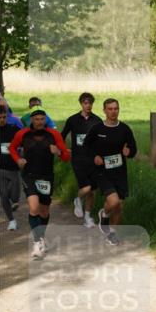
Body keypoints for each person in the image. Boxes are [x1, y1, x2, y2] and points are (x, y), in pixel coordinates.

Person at [8, 106, 70, 257]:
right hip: (29, 174)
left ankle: (41, 237)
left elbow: (66, 156)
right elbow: (12, 148)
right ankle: (37, 242)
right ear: (31, 120)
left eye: (42, 119)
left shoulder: (54, 134)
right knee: (34, 207)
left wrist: (59, 152)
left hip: (47, 176)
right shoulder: (22, 134)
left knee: (44, 210)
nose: (40, 122)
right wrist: (18, 160)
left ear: (45, 120)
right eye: (36, 119)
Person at [84, 98, 137, 246]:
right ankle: (104, 214)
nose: (113, 112)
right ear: (104, 111)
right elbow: (86, 147)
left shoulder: (124, 129)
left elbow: (133, 148)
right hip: (102, 171)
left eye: (116, 109)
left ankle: (112, 233)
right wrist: (94, 156)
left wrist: (129, 152)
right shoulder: (97, 129)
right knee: (113, 201)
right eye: (110, 109)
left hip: (119, 172)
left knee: (119, 206)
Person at [61, 92, 102, 227]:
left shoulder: (97, 121)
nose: (88, 105)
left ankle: (87, 217)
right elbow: (62, 136)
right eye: (85, 103)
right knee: (86, 187)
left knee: (92, 191)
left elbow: (102, 139)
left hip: (93, 160)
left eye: (90, 103)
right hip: (78, 159)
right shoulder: (72, 120)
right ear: (81, 104)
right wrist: (64, 150)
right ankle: (78, 199)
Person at [0, 103, 22, 229]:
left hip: (13, 167)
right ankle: (11, 221)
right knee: (3, 194)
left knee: (14, 196)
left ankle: (14, 202)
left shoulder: (13, 129)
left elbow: (24, 140)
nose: (1, 119)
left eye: (3, 117)